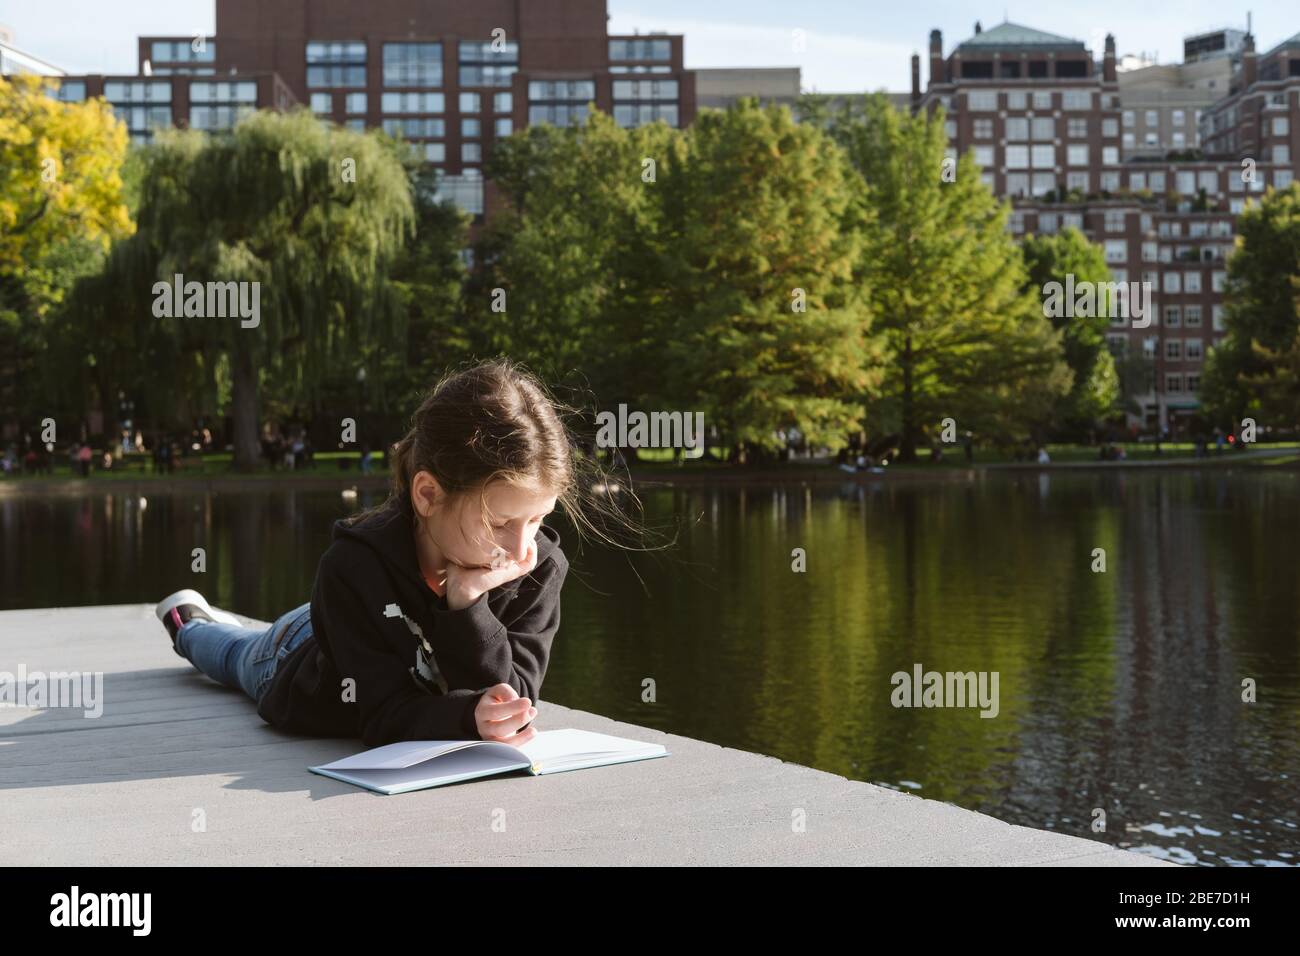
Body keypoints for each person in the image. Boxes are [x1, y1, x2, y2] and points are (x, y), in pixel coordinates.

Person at [153, 359, 620, 749]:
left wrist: (467, 602)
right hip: (302, 654)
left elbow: (513, 700)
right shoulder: (352, 568)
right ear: (428, 495)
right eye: (499, 523)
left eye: (538, 520)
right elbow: (379, 716)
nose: (522, 549)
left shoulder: (539, 567)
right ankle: (188, 622)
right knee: (236, 655)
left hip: (357, 622)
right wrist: (463, 717)